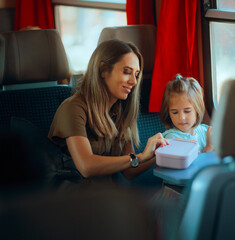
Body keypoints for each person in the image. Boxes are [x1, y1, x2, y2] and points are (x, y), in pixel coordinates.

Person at [48, 39, 168, 183]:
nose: (134, 82)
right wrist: (140, 156)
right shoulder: (73, 108)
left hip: (107, 196)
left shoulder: (121, 110)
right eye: (127, 72)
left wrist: (161, 152)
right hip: (75, 198)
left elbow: (130, 170)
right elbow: (86, 166)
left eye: (136, 75)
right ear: (103, 70)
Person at [160, 74, 213, 152]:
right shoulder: (171, 139)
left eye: (187, 111)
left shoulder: (204, 131)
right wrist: (209, 148)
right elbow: (187, 163)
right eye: (174, 112)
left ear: (197, 109)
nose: (181, 117)